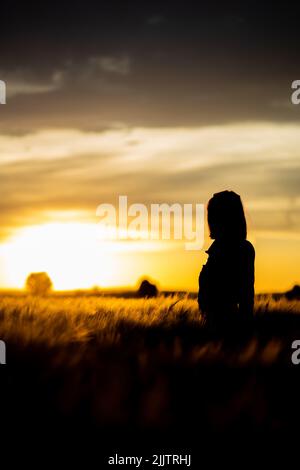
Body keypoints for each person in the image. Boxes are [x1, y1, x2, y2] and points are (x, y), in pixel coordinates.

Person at [198, 191, 255, 333]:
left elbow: (245, 297)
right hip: (211, 329)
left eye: (213, 214)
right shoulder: (218, 249)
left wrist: (242, 333)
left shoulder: (241, 249)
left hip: (226, 330)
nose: (209, 220)